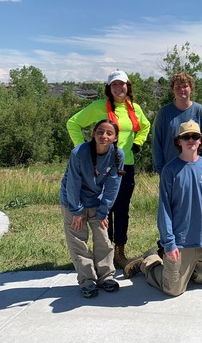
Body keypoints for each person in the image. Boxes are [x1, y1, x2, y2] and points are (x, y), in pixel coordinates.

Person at [66, 70, 151, 270]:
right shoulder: (98, 107)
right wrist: (84, 150)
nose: (118, 88)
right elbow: (73, 123)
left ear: (128, 86)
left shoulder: (135, 109)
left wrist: (138, 142)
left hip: (125, 166)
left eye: (122, 84)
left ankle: (119, 253)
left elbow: (145, 126)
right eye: (114, 85)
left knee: (121, 210)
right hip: (101, 167)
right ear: (109, 88)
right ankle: (104, 253)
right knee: (103, 210)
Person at [124, 121, 202, 297]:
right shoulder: (170, 170)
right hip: (180, 240)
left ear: (200, 141)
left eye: (195, 136)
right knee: (173, 289)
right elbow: (164, 210)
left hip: (201, 240)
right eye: (186, 137)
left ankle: (184, 269)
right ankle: (149, 261)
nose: (191, 140)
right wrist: (169, 242)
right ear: (179, 141)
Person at [60, 119, 126, 298]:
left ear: (115, 137)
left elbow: (113, 185)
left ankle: (106, 276)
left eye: (109, 133)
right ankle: (87, 280)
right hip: (73, 201)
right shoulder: (79, 152)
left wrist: (104, 210)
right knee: (78, 240)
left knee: (103, 238)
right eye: (100, 132)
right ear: (94, 133)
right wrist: (76, 211)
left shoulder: (117, 155)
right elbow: (73, 182)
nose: (104, 136)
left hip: (96, 201)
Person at [152, 71, 202, 174]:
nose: (182, 90)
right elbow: (156, 142)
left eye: (185, 86)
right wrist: (161, 169)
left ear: (191, 88)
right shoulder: (163, 112)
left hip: (196, 169)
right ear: (172, 89)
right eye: (178, 86)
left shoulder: (200, 111)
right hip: (170, 169)